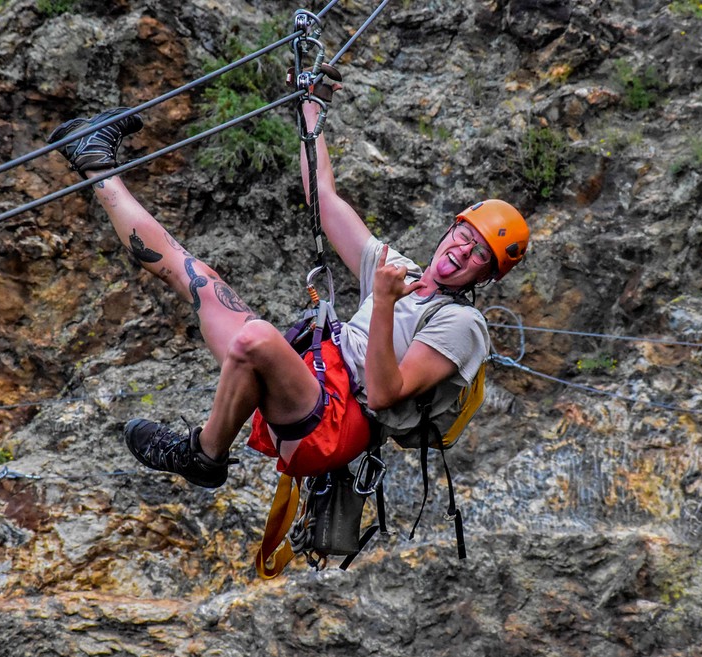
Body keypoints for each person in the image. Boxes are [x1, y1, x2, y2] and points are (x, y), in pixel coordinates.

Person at [47, 102, 529, 489]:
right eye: (465, 237)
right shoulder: (398, 268)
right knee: (194, 277)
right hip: (312, 375)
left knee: (255, 338)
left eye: (481, 256)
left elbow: (385, 394)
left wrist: (383, 303)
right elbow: (322, 195)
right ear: (451, 229)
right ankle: (96, 163)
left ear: (486, 276)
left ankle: (204, 455)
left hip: (339, 421)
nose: (464, 253)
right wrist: (312, 105)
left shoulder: (465, 326)